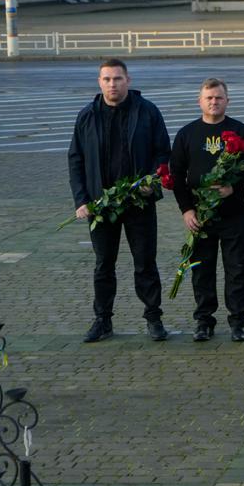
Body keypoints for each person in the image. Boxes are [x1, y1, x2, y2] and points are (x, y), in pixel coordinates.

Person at [67, 58, 171, 343]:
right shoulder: (87, 116)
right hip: (101, 206)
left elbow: (163, 153)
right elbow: (75, 160)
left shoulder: (148, 112)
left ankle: (153, 318)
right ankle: (103, 321)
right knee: (103, 264)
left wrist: (152, 182)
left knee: (145, 263)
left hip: (139, 202)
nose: (112, 84)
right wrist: (81, 200)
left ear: (129, 80)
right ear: (99, 82)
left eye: (118, 79)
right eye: (107, 79)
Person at [169, 79, 244, 342]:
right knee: (201, 268)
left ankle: (237, 321)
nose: (214, 102)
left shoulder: (241, 131)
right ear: (200, 101)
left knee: (238, 268)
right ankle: (203, 321)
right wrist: (186, 210)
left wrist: (234, 187)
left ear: (227, 101)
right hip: (200, 217)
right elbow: (176, 174)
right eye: (209, 98)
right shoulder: (187, 134)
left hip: (234, 214)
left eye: (219, 98)